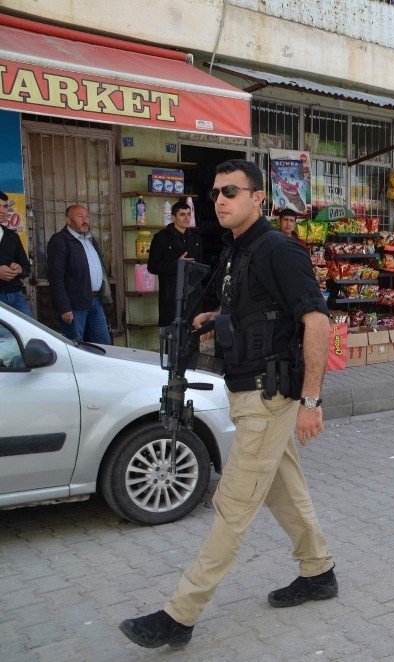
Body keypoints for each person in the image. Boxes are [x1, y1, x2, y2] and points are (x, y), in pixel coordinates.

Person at [120, 160, 335, 649]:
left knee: (233, 504)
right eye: (215, 193)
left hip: (269, 395)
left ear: (258, 198)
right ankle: (319, 571)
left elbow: (316, 321)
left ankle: (180, 613)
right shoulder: (237, 251)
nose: (219, 200)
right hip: (245, 391)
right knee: (285, 489)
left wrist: (311, 400)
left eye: (231, 192)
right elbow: (250, 311)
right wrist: (213, 318)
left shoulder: (280, 250)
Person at [46, 205, 112, 344]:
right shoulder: (60, 240)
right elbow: (56, 277)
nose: (85, 220)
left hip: (95, 301)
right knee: (75, 347)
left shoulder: (90, 239)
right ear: (68, 220)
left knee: (104, 346)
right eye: (80, 216)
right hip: (74, 305)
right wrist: (64, 307)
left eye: (87, 216)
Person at [147, 201, 203, 326]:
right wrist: (176, 264)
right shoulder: (161, 237)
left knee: (193, 332)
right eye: (182, 214)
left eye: (189, 214)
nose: (187, 218)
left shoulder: (196, 239)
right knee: (172, 333)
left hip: (193, 292)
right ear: (173, 217)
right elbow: (152, 266)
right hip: (171, 292)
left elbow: (200, 266)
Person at [0, 191, 32, 317]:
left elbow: (26, 267)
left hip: (16, 295)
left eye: (5, 206)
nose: (2, 211)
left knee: (30, 331)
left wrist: (19, 269)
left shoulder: (12, 236)